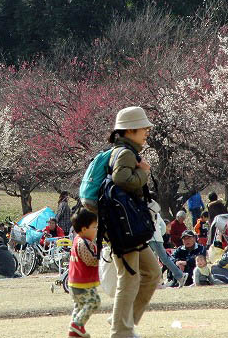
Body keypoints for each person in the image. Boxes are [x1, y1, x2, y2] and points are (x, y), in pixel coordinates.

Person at [107, 106, 160, 338]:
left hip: (128, 226)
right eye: (143, 127)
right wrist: (143, 173)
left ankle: (124, 322)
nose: (147, 131)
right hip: (124, 226)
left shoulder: (125, 151)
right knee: (129, 277)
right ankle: (120, 331)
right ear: (130, 130)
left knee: (151, 273)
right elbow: (121, 180)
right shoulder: (126, 153)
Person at [67, 209, 100, 338]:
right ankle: (76, 324)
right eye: (94, 227)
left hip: (74, 282)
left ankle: (74, 331)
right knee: (94, 301)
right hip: (82, 283)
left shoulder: (77, 240)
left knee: (79, 306)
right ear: (84, 228)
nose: (96, 230)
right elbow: (90, 260)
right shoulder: (83, 242)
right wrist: (102, 258)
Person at [148, 213, 188, 288]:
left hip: (152, 239)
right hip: (156, 239)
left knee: (162, 259)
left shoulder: (144, 211)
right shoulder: (157, 213)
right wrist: (160, 234)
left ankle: (180, 275)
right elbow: (163, 226)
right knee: (157, 260)